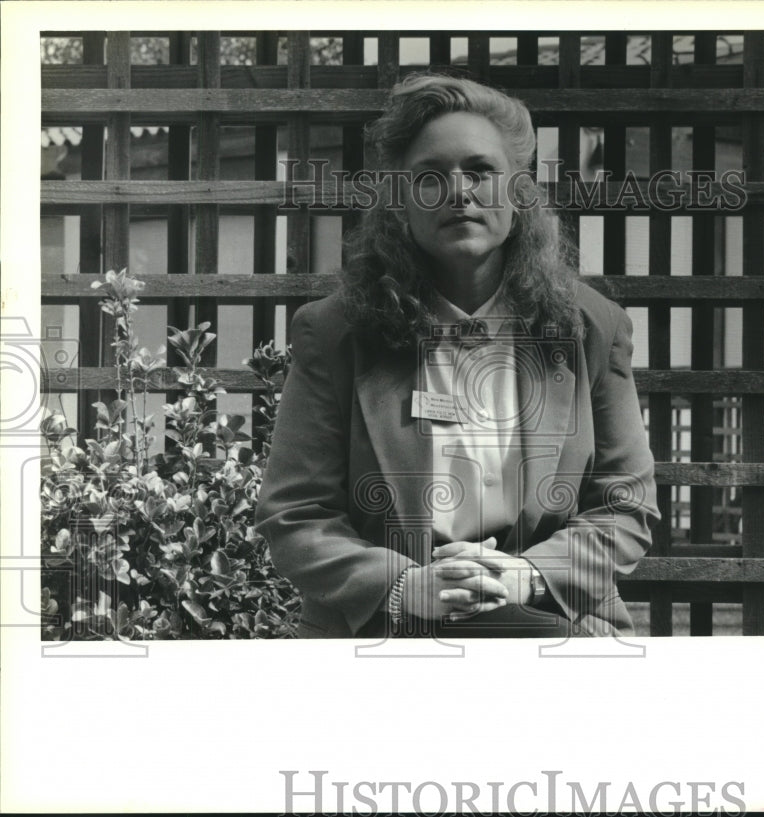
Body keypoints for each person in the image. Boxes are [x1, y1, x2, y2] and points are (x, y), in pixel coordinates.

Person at [255, 72, 660, 638]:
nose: (458, 191)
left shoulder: (591, 327)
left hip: (553, 623)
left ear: (519, 194)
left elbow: (626, 507)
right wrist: (403, 586)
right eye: (430, 177)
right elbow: (296, 513)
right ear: (402, 202)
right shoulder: (335, 332)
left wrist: (527, 576)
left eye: (480, 171)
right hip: (388, 632)